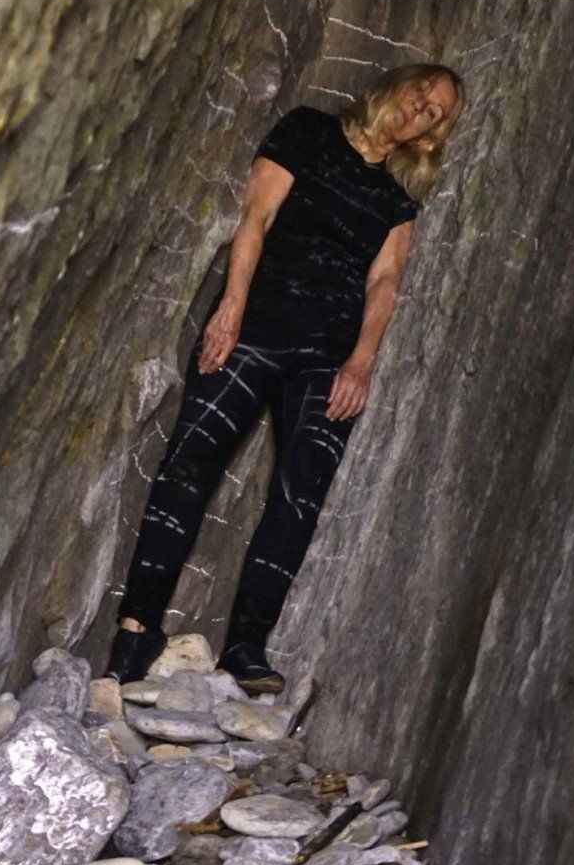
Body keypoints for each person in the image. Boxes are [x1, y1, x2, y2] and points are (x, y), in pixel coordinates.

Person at [102, 62, 464, 694]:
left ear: (429, 136)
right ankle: (136, 633)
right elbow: (256, 217)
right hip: (255, 326)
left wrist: (361, 362)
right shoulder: (309, 130)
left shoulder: (397, 199)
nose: (420, 109)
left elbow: (385, 283)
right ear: (396, 85)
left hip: (327, 358)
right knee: (190, 466)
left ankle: (246, 648)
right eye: (421, 94)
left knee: (299, 497)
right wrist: (230, 309)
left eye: (434, 114)